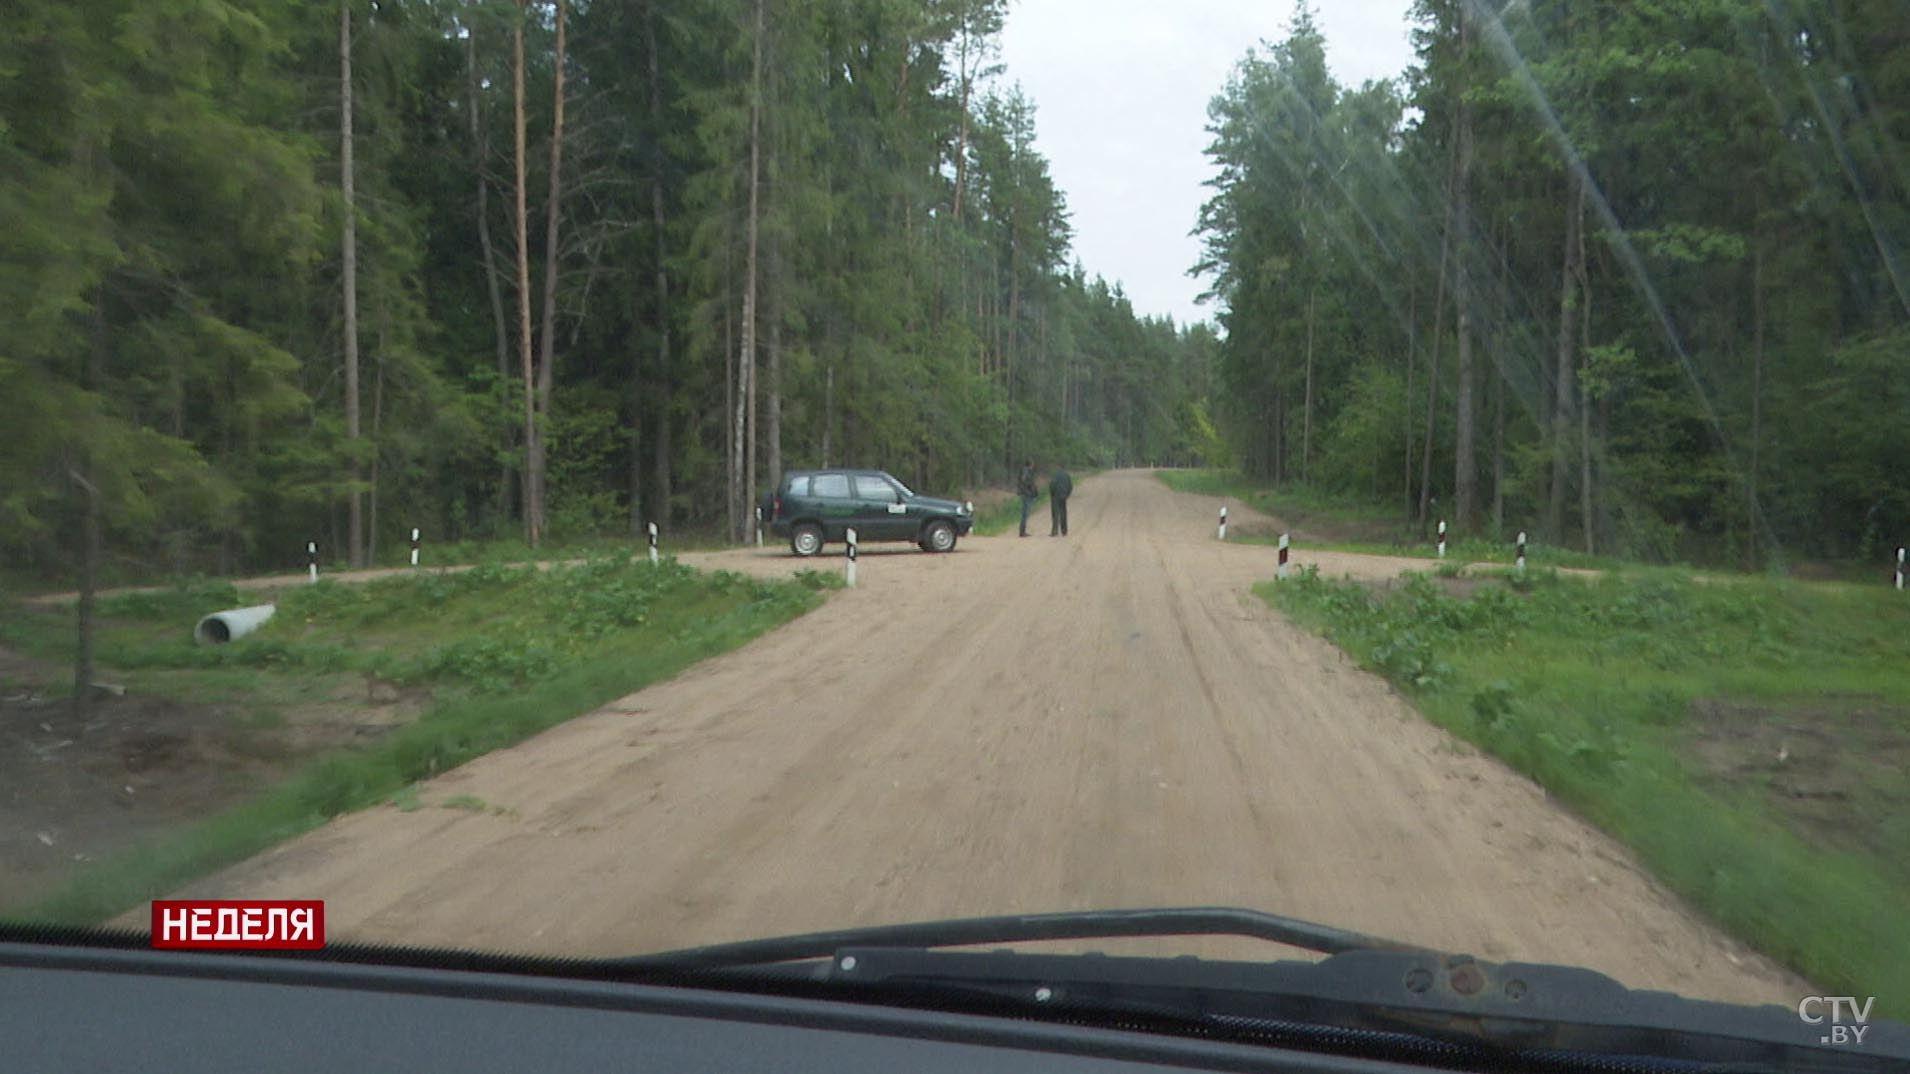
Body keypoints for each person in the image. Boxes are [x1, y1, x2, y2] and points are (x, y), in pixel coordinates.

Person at [1016, 459, 1038, 537]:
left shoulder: (1024, 470)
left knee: (1025, 513)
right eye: (1033, 464)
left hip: (1025, 493)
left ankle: (1023, 531)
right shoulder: (1026, 471)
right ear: (1030, 464)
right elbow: (1024, 480)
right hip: (1026, 494)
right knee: (1025, 513)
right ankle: (1022, 532)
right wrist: (1030, 487)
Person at [1049, 466, 1073, 536]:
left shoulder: (1055, 475)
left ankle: (1054, 531)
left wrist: (1052, 494)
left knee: (1055, 513)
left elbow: (1052, 485)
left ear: (1058, 468)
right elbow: (1070, 486)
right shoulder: (1067, 475)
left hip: (1056, 496)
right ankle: (1064, 531)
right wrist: (1067, 495)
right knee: (1063, 513)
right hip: (1063, 496)